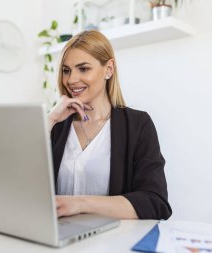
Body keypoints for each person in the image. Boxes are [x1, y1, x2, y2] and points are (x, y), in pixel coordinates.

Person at [48, 30, 172, 220]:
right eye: (66, 70)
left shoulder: (138, 125)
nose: (71, 80)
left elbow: (155, 202)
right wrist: (50, 120)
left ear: (108, 69)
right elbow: (19, 183)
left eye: (83, 68)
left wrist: (79, 204)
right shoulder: (56, 127)